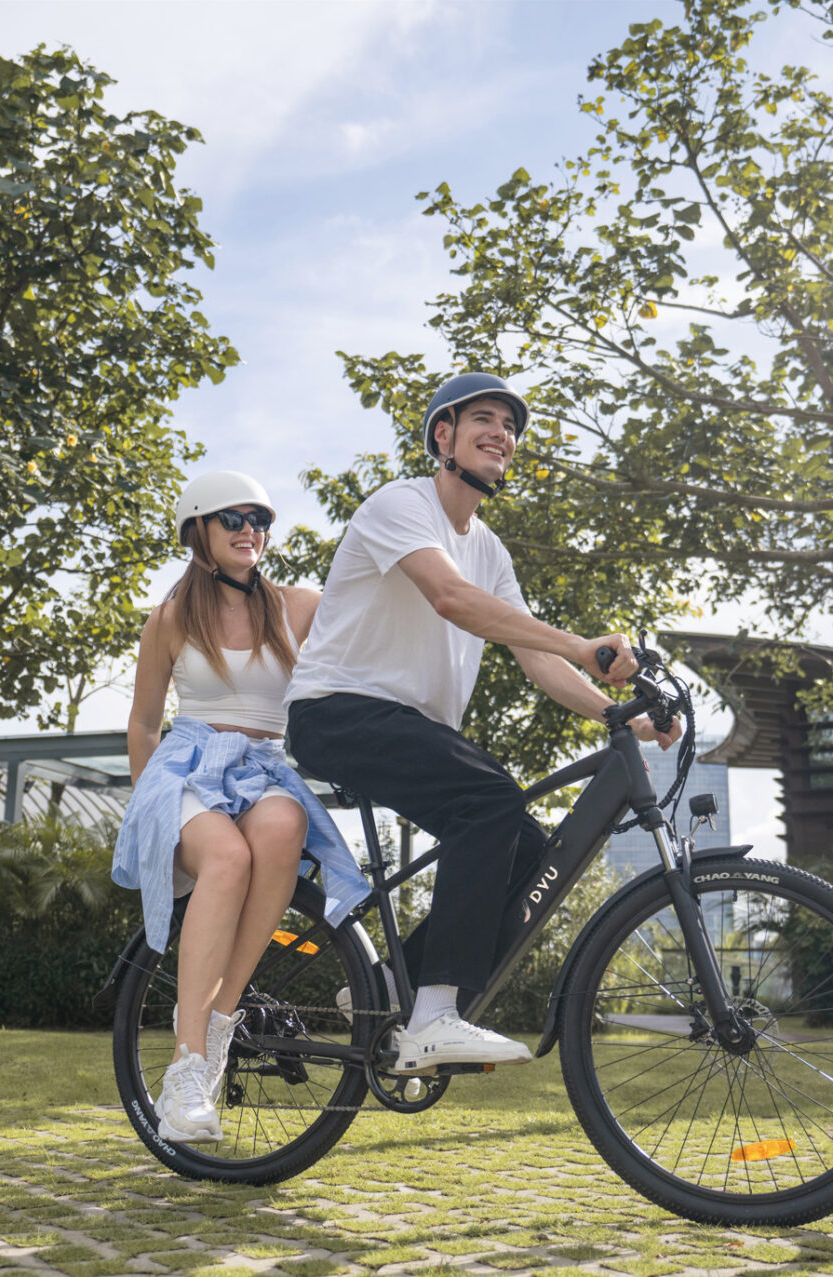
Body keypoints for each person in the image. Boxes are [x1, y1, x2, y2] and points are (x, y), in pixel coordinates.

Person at [286, 372, 681, 1073]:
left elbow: (534, 656)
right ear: (445, 434)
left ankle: (380, 987)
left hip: (411, 727)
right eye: (486, 419)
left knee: (530, 850)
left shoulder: (489, 547)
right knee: (488, 800)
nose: (503, 433)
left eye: (511, 426)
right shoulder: (400, 504)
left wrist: (618, 713)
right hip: (337, 710)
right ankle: (434, 1017)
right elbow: (449, 597)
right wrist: (582, 643)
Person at [114, 471, 369, 1146]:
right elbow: (143, 724)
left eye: (260, 518)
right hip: (189, 763)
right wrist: (151, 811)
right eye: (235, 517)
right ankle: (185, 1066)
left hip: (264, 766)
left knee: (285, 826)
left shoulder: (296, 605)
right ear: (198, 528)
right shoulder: (171, 617)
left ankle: (222, 1020)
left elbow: (370, 619)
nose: (251, 528)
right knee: (226, 857)